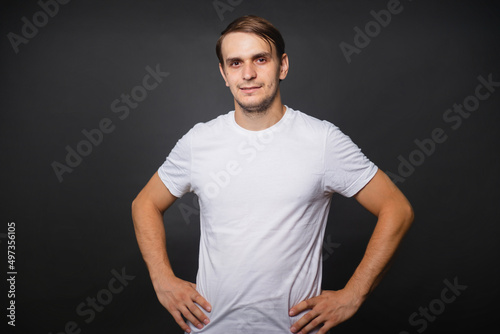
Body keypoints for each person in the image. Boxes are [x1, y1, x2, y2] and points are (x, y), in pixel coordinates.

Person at [131, 15, 414, 334]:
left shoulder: (322, 141)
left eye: (260, 59)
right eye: (235, 63)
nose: (248, 74)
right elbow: (145, 204)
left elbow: (397, 209)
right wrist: (162, 280)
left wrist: (353, 294)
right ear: (224, 74)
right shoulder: (199, 142)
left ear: (283, 65)